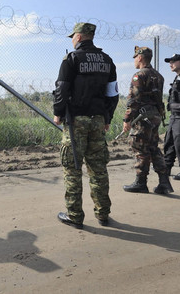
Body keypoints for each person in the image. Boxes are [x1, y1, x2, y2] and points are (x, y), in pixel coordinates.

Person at [53, 22, 119, 229]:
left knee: (72, 168)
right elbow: (113, 94)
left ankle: (74, 216)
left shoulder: (71, 59)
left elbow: (62, 89)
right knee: (98, 169)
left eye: (73, 36)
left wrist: (57, 113)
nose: (72, 40)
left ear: (79, 37)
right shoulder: (107, 61)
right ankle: (103, 213)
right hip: (98, 120)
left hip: (76, 121)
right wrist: (107, 118)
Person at [122, 46, 173, 195]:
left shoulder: (139, 75)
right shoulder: (158, 76)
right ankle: (164, 182)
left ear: (140, 57)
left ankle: (140, 182)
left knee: (140, 148)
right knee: (153, 148)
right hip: (155, 116)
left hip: (143, 118)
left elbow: (134, 100)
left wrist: (127, 119)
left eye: (135, 58)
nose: (134, 61)